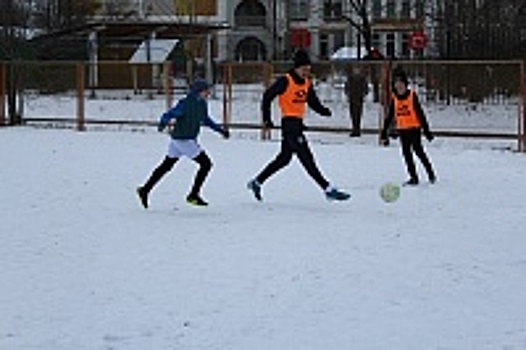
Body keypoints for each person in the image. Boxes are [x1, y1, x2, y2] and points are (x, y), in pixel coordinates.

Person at [247, 49, 350, 201]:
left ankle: (257, 182)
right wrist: (266, 119)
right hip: (289, 124)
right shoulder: (286, 80)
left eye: (308, 69)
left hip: (298, 123)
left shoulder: (307, 83)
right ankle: (327, 188)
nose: (306, 72)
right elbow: (267, 96)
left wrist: (323, 111)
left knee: (284, 159)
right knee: (306, 157)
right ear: (296, 68)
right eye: (303, 69)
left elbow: (312, 101)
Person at [137, 79, 229, 208]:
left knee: (166, 166)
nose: (208, 92)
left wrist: (219, 130)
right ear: (199, 91)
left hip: (180, 140)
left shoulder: (202, 103)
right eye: (206, 90)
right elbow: (170, 114)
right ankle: (193, 195)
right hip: (184, 140)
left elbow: (205, 119)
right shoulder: (185, 103)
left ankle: (145, 189)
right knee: (206, 164)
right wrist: (163, 122)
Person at [380, 69, 436, 186]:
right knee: (407, 154)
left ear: (405, 84)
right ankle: (413, 177)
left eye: (401, 83)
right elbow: (389, 116)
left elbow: (420, 114)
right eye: (396, 83)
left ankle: (431, 173)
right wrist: (384, 132)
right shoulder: (394, 98)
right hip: (402, 130)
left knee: (419, 152)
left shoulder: (411, 96)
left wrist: (427, 131)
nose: (398, 85)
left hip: (414, 129)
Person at [344, 66, 369, 137]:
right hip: (352, 97)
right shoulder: (350, 78)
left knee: (358, 114)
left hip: (359, 98)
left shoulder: (362, 78)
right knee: (353, 114)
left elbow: (365, 88)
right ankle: (354, 128)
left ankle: (357, 129)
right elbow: (347, 87)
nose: (356, 71)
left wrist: (363, 93)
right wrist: (348, 93)